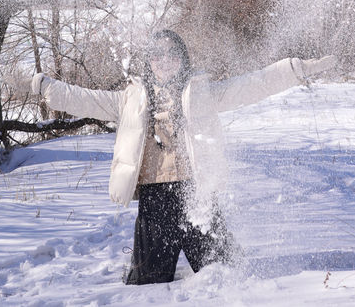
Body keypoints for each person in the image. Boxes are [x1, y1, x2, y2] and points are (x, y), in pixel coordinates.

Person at [28, 30, 336, 285]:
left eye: (172, 55)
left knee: (226, 274)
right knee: (147, 281)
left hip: (195, 194)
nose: (164, 61)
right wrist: (48, 89)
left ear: (182, 59)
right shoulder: (131, 98)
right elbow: (88, 100)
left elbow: (249, 86)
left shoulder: (200, 92)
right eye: (157, 55)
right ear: (148, 61)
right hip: (155, 197)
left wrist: (294, 70)